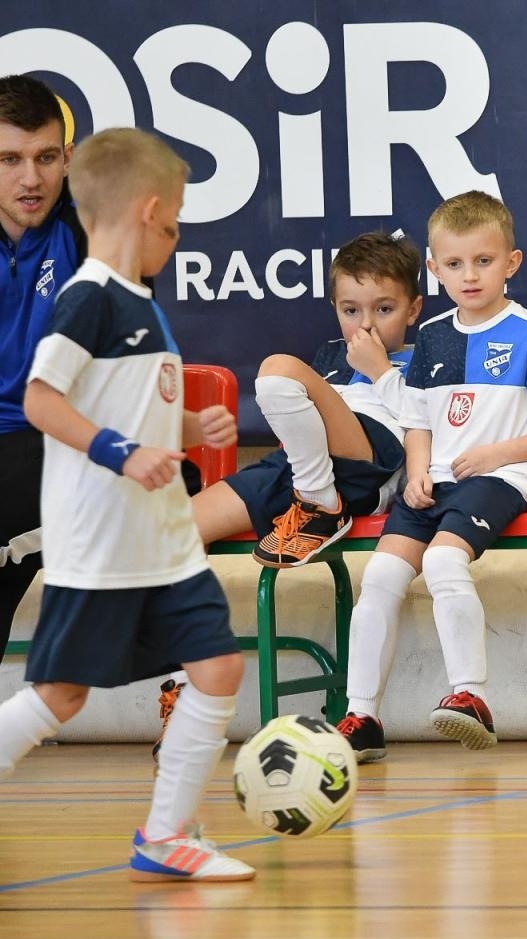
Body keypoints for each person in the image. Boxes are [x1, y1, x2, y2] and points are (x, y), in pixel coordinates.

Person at [0, 126, 252, 881]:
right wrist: (120, 452)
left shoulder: (139, 301)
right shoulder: (86, 299)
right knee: (60, 696)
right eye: (174, 223)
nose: (175, 238)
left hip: (163, 539)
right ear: (150, 211)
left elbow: (133, 407)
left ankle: (167, 836)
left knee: (217, 665)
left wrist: (190, 426)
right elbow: (42, 400)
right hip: (103, 546)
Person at [334, 190, 527, 762]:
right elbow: (418, 420)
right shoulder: (432, 335)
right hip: (436, 480)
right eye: (454, 263)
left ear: (511, 263)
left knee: (442, 561)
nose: (469, 276)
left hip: (502, 479)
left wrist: (500, 454)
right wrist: (416, 472)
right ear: (434, 268)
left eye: (483, 261)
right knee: (380, 575)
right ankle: (362, 716)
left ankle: (471, 697)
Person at [148, 231, 424, 763]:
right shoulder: (330, 356)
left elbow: (430, 430)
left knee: (277, 371)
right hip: (296, 469)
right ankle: (185, 695)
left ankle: (323, 506)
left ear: (413, 310)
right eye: (351, 310)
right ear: (334, 308)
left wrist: (382, 372)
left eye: (384, 309)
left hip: (368, 463)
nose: (366, 325)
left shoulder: (430, 356)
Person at [0, 76, 81, 650]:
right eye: (9, 160)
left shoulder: (96, 230)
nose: (31, 179)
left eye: (45, 158)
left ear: (67, 158)